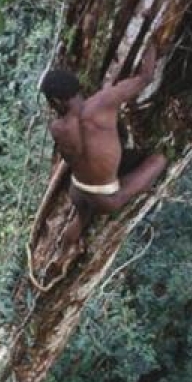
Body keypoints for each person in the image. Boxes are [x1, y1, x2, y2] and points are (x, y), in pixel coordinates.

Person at [40, 44, 168, 250]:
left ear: (56, 100)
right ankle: (82, 224)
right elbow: (146, 78)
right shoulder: (103, 101)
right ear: (77, 86)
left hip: (77, 189)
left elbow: (72, 156)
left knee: (84, 212)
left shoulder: (57, 128)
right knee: (159, 160)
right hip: (107, 198)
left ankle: (65, 245)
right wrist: (152, 45)